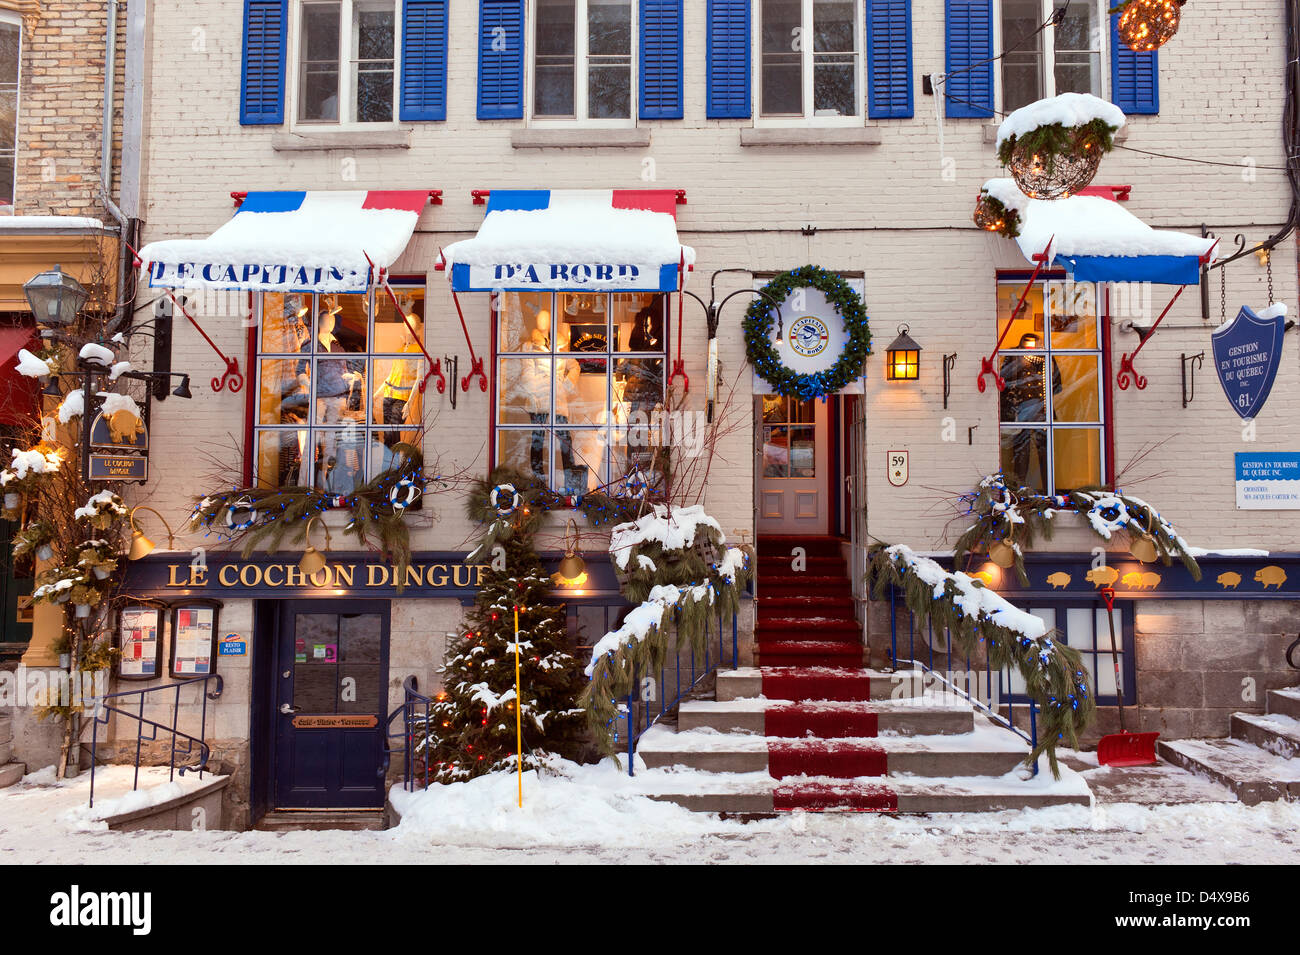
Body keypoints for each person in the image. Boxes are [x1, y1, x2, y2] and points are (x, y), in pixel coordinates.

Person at [999, 333, 1062, 491]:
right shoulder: (1013, 357)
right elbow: (1003, 382)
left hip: (1042, 411)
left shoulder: (1046, 357)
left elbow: (1057, 383)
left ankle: (1049, 490)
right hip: (1021, 412)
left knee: (1045, 454)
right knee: (1021, 454)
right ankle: (1019, 492)